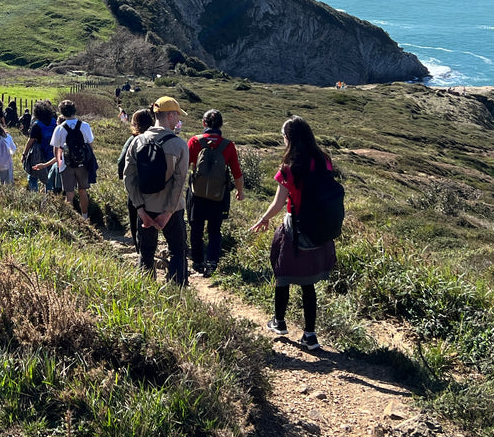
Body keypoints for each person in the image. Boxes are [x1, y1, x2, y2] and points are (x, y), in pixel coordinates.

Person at [251, 115, 337, 350]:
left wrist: (264, 219)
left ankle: (279, 322)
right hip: (320, 228)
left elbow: (279, 203)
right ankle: (310, 335)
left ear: (289, 138)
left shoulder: (288, 167)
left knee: (283, 274)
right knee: (308, 284)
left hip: (295, 227)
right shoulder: (324, 160)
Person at [123, 96, 190, 284]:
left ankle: (145, 292)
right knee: (178, 251)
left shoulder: (136, 142)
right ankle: (177, 294)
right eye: (177, 115)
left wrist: (140, 209)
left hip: (145, 207)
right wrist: (168, 212)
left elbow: (129, 178)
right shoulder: (179, 145)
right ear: (170, 116)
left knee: (145, 253)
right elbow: (179, 183)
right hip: (172, 210)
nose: (178, 120)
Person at [186, 109, 246, 276]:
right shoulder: (228, 145)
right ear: (221, 124)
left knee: (196, 228)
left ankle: (197, 262)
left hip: (196, 194)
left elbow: (183, 166)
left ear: (204, 123)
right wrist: (240, 192)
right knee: (214, 230)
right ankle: (212, 262)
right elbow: (237, 172)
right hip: (218, 196)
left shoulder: (194, 141)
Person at [50, 99, 95, 217]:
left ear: (62, 112)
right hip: (83, 163)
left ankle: (70, 220)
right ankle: (85, 217)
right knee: (83, 191)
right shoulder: (85, 126)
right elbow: (90, 146)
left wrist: (60, 165)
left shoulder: (59, 128)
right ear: (74, 110)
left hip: (66, 164)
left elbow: (56, 149)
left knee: (69, 194)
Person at [116, 108, 154, 237]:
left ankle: (139, 248)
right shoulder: (158, 138)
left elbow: (121, 162)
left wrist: (123, 177)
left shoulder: (133, 140)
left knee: (136, 218)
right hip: (158, 187)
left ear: (135, 124)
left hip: (137, 186)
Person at [23, 101, 58, 191]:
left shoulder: (37, 125)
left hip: (39, 152)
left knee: (33, 174)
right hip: (54, 152)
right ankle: (50, 196)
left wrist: (24, 154)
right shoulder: (55, 121)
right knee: (50, 177)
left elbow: (30, 141)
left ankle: (34, 194)